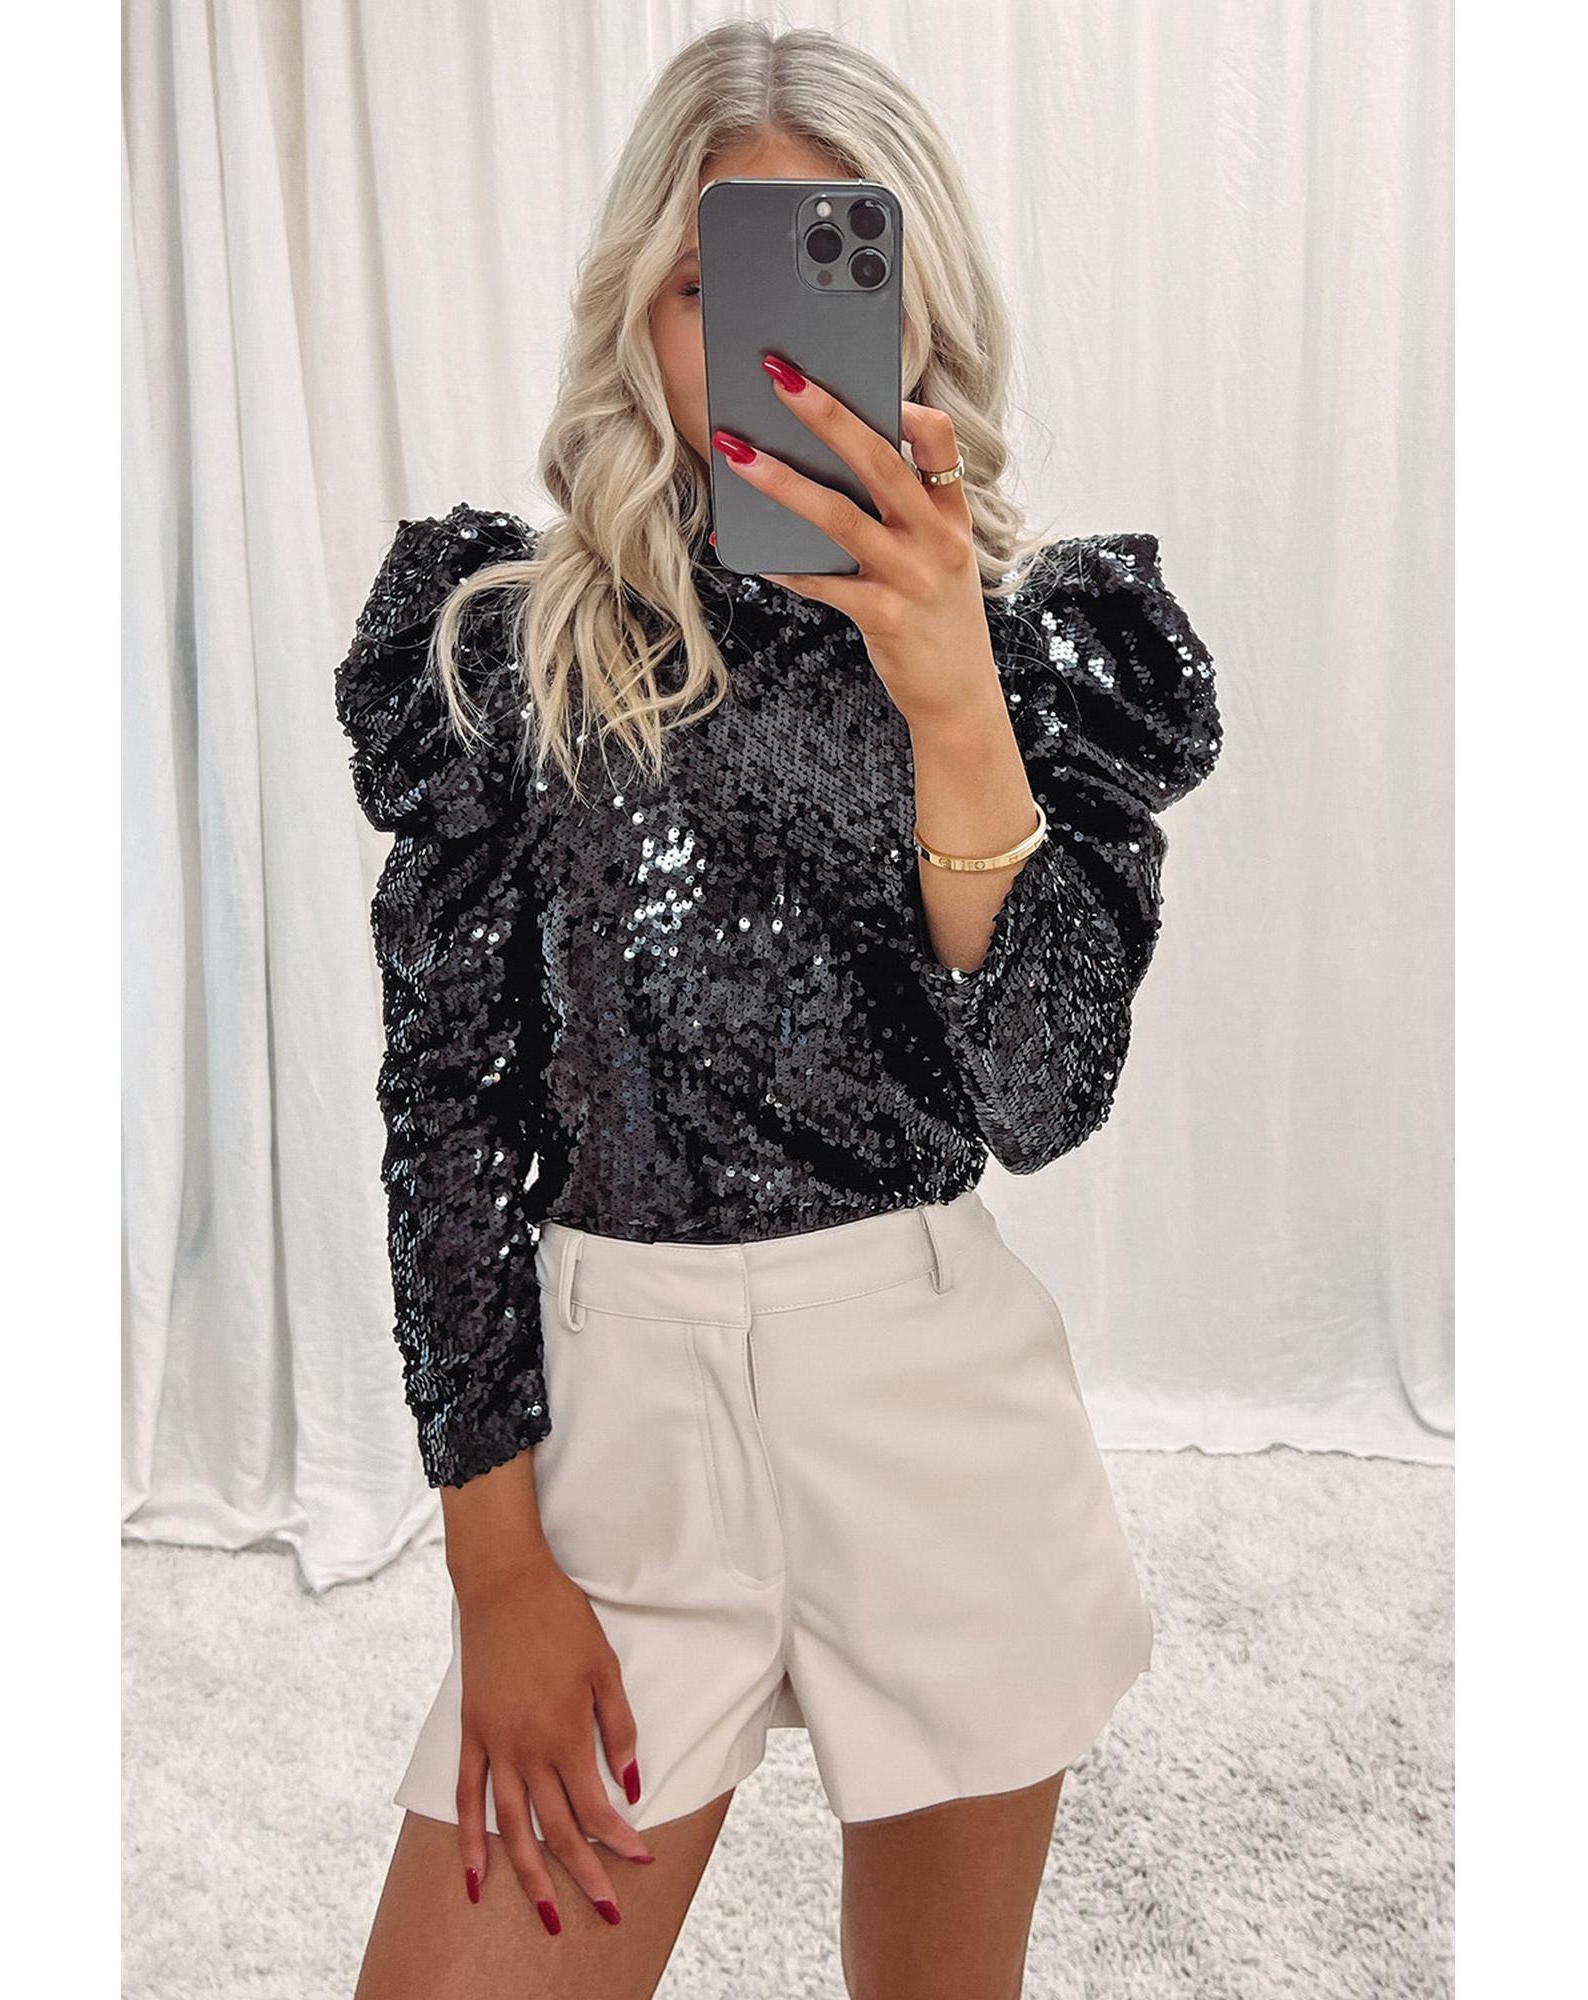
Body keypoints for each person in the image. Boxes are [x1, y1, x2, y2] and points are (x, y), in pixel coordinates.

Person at [340, 22, 1221, 2000]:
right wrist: (494, 1561)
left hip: (933, 1408)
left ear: (917, 307)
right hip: (619, 1433)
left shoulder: (1040, 654)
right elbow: (450, 1114)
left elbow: (1041, 1095)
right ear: (637, 316)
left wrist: (954, 702)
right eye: (702, 286)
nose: (764, 349)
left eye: (829, 275)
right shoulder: (508, 649)